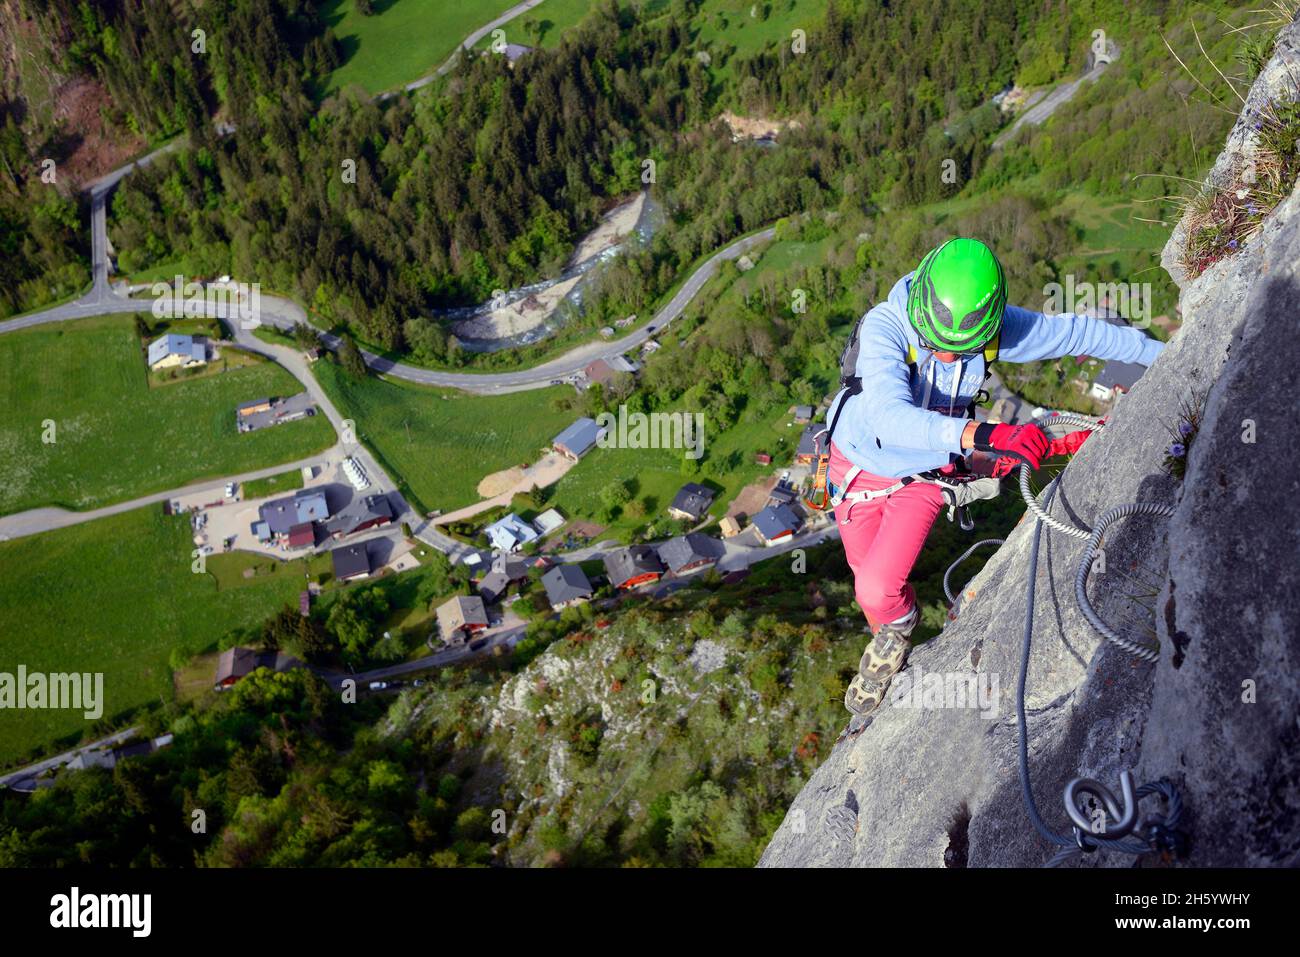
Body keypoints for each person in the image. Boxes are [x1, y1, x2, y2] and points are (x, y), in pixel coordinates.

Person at [824, 237, 1164, 716]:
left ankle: (898, 634)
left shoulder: (996, 329)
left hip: (923, 476)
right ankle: (892, 631)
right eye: (935, 347)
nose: (945, 358)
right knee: (872, 588)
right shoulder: (887, 327)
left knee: (875, 585)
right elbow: (888, 417)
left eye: (957, 351)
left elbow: (1076, 334)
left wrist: (1163, 353)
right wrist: (983, 433)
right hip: (854, 471)